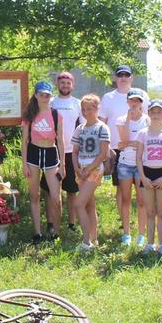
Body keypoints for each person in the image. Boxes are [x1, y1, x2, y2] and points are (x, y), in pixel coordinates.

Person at [21, 81, 65, 244]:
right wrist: (24, 163)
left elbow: (61, 141)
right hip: (33, 154)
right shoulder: (29, 115)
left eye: (47, 95)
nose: (44, 97)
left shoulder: (56, 114)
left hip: (51, 154)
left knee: (56, 198)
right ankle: (37, 232)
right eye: (41, 94)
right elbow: (24, 140)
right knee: (34, 195)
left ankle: (55, 232)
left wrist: (63, 164)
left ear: (50, 96)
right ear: (36, 95)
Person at [137, 99, 162, 256]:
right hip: (147, 173)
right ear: (148, 113)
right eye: (152, 111)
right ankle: (149, 244)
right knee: (149, 212)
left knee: (161, 212)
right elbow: (138, 158)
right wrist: (143, 177)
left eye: (159, 111)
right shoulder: (142, 133)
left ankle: (161, 245)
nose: (155, 114)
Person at [71, 94, 110, 250]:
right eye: (84, 109)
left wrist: (89, 168)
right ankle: (94, 240)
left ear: (97, 108)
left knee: (78, 204)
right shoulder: (80, 129)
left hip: (94, 170)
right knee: (89, 205)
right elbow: (74, 152)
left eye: (91, 108)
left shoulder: (102, 127)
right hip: (81, 170)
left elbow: (103, 153)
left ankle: (86, 242)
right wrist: (77, 169)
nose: (87, 112)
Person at [114, 88, 150, 247]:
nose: (134, 104)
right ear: (127, 102)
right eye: (132, 100)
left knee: (142, 201)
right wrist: (128, 120)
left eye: (137, 101)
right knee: (126, 199)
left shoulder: (148, 120)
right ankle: (126, 234)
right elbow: (124, 139)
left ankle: (141, 235)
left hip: (142, 165)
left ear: (141, 103)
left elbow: (146, 143)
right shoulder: (121, 119)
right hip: (125, 164)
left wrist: (130, 144)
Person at [49, 71, 82, 232]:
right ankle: (51, 223)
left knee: (71, 190)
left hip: (72, 152)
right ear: (58, 84)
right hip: (52, 151)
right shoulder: (51, 102)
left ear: (72, 85)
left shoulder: (77, 103)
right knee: (50, 190)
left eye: (68, 83)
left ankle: (71, 223)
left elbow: (83, 127)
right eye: (62, 83)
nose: (65, 85)